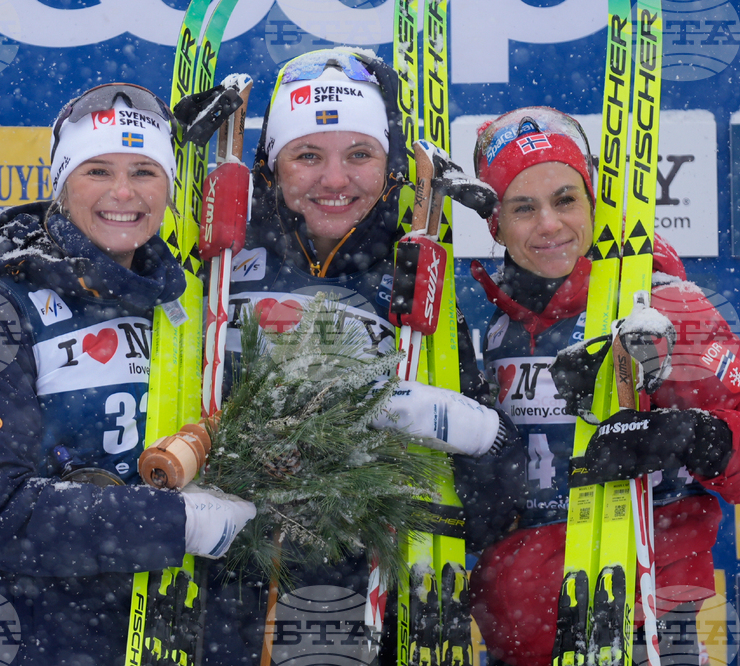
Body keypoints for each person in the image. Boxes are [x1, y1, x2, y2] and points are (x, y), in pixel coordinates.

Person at [460, 106, 740, 666]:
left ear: (593, 199)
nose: (549, 225)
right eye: (523, 207)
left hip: (639, 634)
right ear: (495, 223)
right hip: (514, 639)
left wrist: (694, 437)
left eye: (565, 199)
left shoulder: (662, 304)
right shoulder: (494, 325)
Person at [201, 48, 518, 666]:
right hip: (218, 604)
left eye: (360, 155)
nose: (336, 181)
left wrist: (478, 436)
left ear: (390, 163)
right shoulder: (209, 262)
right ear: (272, 162)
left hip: (365, 604)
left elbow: (492, 513)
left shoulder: (413, 279)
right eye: (309, 155)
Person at [0, 83, 257, 666]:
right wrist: (173, 523)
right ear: (61, 182)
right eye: (97, 170)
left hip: (172, 633)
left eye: (145, 171)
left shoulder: (187, 306)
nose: (124, 193)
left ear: (169, 187)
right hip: (39, 637)